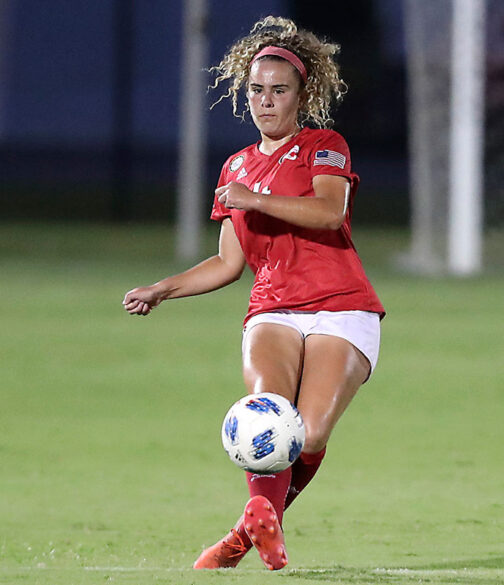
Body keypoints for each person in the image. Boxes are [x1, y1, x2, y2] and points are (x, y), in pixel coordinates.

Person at [122, 15, 385, 571]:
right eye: (257, 91)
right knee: (268, 416)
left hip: (341, 304)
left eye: (279, 91)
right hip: (273, 307)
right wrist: (162, 289)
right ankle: (260, 523)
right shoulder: (236, 166)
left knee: (309, 434)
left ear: (302, 93)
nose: (267, 102)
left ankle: (247, 532)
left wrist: (256, 199)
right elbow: (228, 262)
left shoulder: (323, 145)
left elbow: (329, 210)